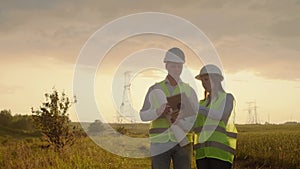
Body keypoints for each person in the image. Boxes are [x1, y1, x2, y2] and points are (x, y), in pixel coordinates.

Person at [140, 47, 198, 169]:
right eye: (173, 66)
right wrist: (158, 112)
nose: (176, 70)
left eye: (179, 66)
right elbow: (143, 115)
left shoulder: (189, 91)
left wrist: (182, 118)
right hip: (160, 143)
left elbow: (195, 119)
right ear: (166, 66)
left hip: (183, 143)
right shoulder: (155, 89)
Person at [193, 64, 238, 169]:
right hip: (201, 154)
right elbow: (194, 127)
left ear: (217, 80)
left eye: (206, 79)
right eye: (202, 80)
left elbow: (222, 115)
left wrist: (198, 108)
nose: (204, 83)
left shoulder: (227, 98)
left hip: (220, 154)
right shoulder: (201, 103)